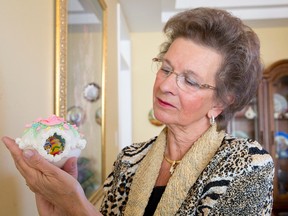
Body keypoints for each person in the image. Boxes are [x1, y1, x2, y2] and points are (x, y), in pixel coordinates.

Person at [2, 7, 274, 216]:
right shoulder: (130, 160)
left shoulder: (248, 165)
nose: (165, 85)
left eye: (189, 81)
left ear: (221, 101)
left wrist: (77, 205)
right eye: (166, 68)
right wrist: (61, 210)